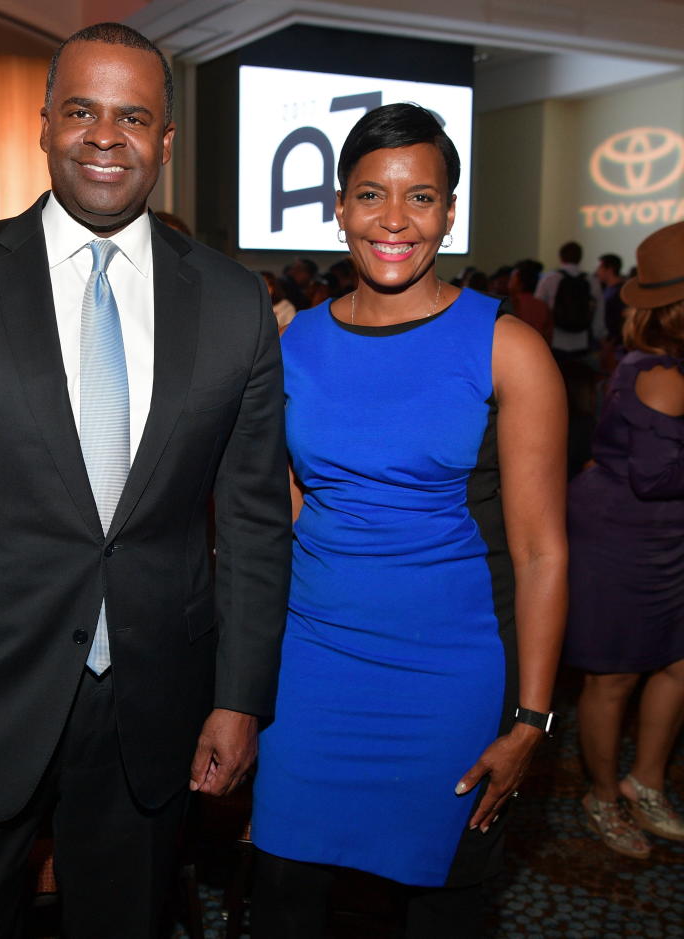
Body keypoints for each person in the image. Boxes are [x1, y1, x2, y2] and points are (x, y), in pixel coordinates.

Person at [0, 22, 291, 939]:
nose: (105, 135)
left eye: (133, 115)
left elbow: (251, 523)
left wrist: (240, 698)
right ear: (44, 124)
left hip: (154, 709)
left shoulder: (235, 302)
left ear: (166, 138)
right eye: (81, 110)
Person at [249, 103, 568, 938]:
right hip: (308, 676)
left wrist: (532, 719)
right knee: (284, 901)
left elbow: (540, 552)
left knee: (443, 911)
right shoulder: (291, 345)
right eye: (371, 195)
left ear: (450, 212)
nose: (395, 220)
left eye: (421, 197)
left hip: (448, 682)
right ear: (340, 206)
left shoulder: (506, 347)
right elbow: (280, 524)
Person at [565, 221, 684, 859]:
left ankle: (647, 782)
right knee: (612, 678)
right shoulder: (662, 373)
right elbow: (656, 474)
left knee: (677, 664)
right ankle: (603, 795)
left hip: (663, 535)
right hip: (623, 538)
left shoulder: (665, 365)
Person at [509, 258, 552, 344]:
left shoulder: (512, 304)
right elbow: (548, 336)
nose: (509, 282)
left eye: (511, 278)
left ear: (517, 280)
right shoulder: (543, 306)